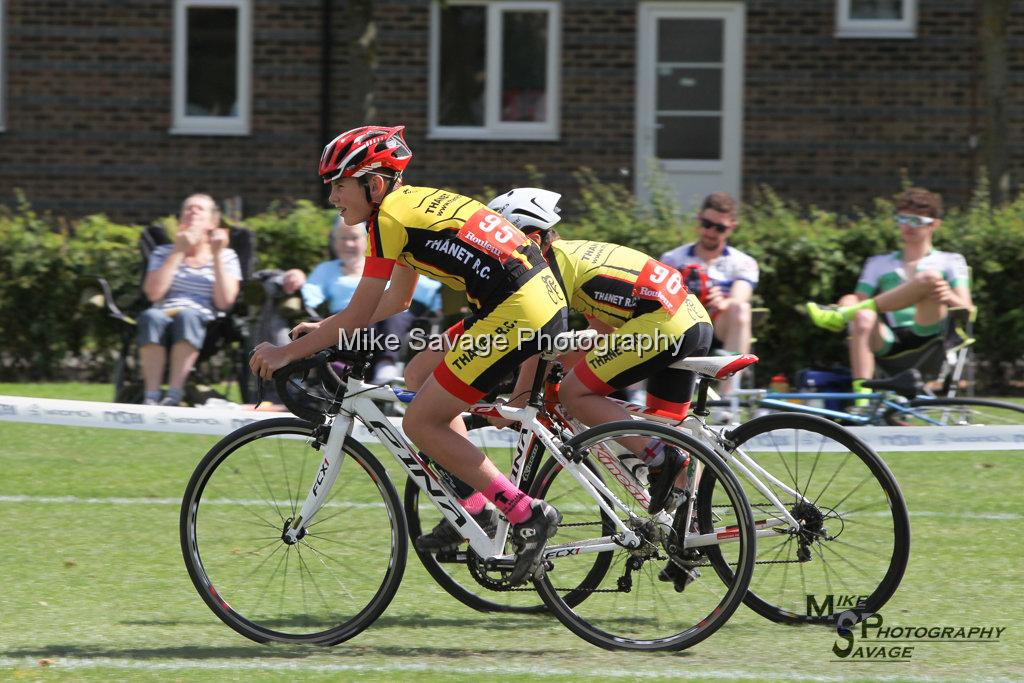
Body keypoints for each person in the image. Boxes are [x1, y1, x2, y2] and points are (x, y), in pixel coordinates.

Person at [248, 125, 566, 585]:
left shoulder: (388, 219)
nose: (333, 196)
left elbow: (360, 313)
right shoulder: (408, 206)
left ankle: (523, 513)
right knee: (420, 373)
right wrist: (325, 328)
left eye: (339, 184)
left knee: (420, 422)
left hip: (516, 311)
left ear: (373, 185)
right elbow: (396, 301)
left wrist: (285, 352)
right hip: (527, 302)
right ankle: (477, 501)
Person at [412, 188, 716, 564]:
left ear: (535, 238)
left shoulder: (550, 269)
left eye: (508, 240)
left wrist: (524, 397)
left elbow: (541, 341)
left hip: (664, 326)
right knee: (668, 434)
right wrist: (553, 374)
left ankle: (657, 456)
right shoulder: (576, 257)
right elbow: (601, 331)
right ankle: (692, 541)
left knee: (577, 396)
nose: (502, 251)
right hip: (690, 320)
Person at [804, 187, 972, 401]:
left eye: (916, 220)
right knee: (858, 309)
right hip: (889, 339)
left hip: (931, 337)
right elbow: (860, 302)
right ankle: (862, 398)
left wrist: (947, 294)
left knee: (929, 279)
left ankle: (840, 316)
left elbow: (967, 308)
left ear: (934, 224)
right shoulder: (878, 263)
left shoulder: (950, 261)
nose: (907, 227)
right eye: (902, 219)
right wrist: (846, 302)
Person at [301, 217, 443, 384]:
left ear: (366, 240)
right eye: (343, 238)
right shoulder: (326, 270)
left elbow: (430, 290)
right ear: (334, 242)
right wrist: (293, 279)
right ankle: (349, 368)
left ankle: (386, 363)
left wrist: (442, 304)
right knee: (360, 318)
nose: (349, 244)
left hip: (389, 317)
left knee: (391, 311)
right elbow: (309, 293)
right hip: (346, 319)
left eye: (354, 238)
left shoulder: (384, 266)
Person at [138, 194, 241, 406]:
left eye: (199, 209)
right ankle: (151, 396)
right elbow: (153, 294)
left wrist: (217, 255)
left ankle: (173, 395)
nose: (192, 211)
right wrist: (178, 251)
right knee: (151, 316)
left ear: (213, 221)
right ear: (180, 220)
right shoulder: (163, 252)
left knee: (187, 316)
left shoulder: (226, 256)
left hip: (202, 318)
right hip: (163, 312)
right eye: (188, 208)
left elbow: (224, 302)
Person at [659, 192, 758, 395]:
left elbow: (741, 297)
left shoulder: (742, 262)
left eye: (719, 228)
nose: (711, 232)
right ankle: (637, 394)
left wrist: (722, 300)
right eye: (706, 224)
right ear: (698, 219)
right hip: (679, 322)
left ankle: (727, 399)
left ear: (731, 228)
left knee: (740, 309)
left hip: (718, 322)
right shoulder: (672, 258)